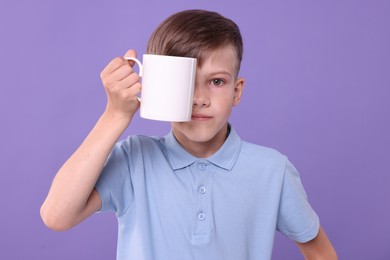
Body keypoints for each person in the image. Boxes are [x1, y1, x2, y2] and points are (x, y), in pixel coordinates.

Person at [40, 9, 337, 260]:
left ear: (237, 91)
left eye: (216, 81)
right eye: (185, 82)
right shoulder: (134, 160)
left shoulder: (273, 170)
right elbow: (56, 215)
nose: (199, 98)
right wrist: (115, 115)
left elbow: (321, 252)